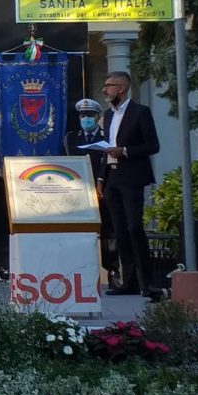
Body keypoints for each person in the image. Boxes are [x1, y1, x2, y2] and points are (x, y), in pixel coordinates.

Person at [97, 72, 161, 296]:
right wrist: (101, 178)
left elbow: (152, 145)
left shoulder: (140, 112)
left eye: (109, 85)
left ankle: (147, 283)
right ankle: (128, 282)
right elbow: (106, 148)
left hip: (132, 178)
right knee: (119, 230)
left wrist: (124, 151)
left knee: (134, 227)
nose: (105, 90)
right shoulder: (108, 115)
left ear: (121, 88)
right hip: (112, 178)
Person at [64, 99, 120, 287]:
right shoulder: (71, 138)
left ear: (97, 117)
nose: (86, 119)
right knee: (79, 232)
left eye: (90, 115)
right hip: (78, 192)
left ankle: (112, 272)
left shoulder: (107, 137)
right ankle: (79, 272)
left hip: (102, 190)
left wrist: (101, 183)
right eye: (83, 115)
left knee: (108, 232)